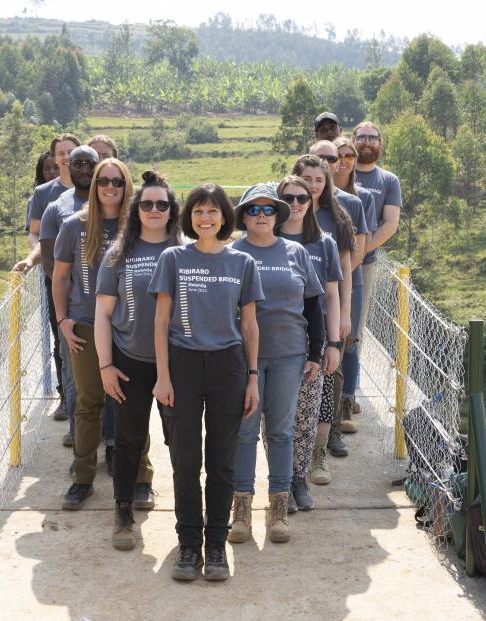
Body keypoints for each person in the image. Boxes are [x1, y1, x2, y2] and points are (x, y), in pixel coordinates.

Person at [150, 184, 263, 582]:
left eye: (213, 211)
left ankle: (215, 545)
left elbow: (249, 325)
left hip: (228, 367)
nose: (206, 218)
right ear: (190, 217)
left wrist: (252, 378)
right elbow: (161, 322)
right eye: (199, 211)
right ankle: (188, 545)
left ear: (224, 217)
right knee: (184, 460)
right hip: (181, 365)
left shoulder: (242, 263)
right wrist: (162, 377)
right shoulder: (173, 259)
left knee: (221, 461)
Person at [52, 157, 153, 510]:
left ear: (127, 186)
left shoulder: (139, 227)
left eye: (118, 181)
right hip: (84, 325)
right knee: (88, 403)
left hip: (129, 328)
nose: (111, 187)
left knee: (132, 404)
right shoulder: (74, 227)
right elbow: (61, 276)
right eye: (104, 181)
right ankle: (82, 478)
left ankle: (141, 477)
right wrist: (63, 320)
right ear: (94, 185)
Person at [229, 183, 324, 544]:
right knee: (245, 432)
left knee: (281, 431)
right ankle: (241, 512)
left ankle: (279, 510)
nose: (262, 216)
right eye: (254, 210)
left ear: (279, 216)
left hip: (289, 354)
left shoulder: (296, 252)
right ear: (243, 216)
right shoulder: (232, 253)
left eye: (269, 210)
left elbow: (314, 304)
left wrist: (316, 352)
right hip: (243, 357)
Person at [94, 170, 181, 550]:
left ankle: (187, 518)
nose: (155, 209)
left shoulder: (185, 249)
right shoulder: (118, 254)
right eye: (147, 204)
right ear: (136, 209)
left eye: (163, 204)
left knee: (181, 442)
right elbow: (101, 315)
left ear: (172, 210)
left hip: (178, 364)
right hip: (129, 361)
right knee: (128, 441)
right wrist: (105, 366)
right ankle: (123, 511)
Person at [275, 175, 343, 512]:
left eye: (303, 198)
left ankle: (298, 478)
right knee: (275, 420)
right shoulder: (264, 239)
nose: (296, 204)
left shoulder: (323, 242)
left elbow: (330, 295)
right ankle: (280, 482)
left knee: (305, 416)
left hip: (310, 343)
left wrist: (333, 343)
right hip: (273, 344)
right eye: (288, 198)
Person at [290, 155, 353, 485]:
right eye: (306, 180)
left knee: (326, 387)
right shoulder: (280, 217)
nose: (312, 187)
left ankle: (318, 455)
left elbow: (344, 274)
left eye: (319, 180)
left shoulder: (335, 220)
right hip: (287, 326)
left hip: (325, 320)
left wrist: (345, 313)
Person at [310, 139, 371, 446]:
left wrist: (343, 308)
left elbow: (351, 258)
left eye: (331, 159)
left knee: (336, 361)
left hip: (335, 296)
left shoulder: (349, 205)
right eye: (319, 158)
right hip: (303, 306)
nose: (328, 163)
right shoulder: (290, 204)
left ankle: (331, 430)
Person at [24, 137, 79, 424]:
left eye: (71, 152)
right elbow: (35, 233)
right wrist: (42, 257)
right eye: (61, 153)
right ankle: (67, 400)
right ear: (54, 158)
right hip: (56, 275)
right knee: (62, 339)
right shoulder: (44, 194)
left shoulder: (97, 189)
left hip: (91, 278)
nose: (67, 157)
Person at [333, 135, 379, 430]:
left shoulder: (363, 198)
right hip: (323, 281)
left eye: (350, 155)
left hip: (351, 276)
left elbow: (362, 246)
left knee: (350, 340)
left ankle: (345, 403)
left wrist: (342, 275)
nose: (345, 160)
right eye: (339, 155)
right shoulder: (309, 195)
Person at [353, 121, 402, 370]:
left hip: (365, 263)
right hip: (329, 260)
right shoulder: (340, 174)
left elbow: (390, 224)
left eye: (373, 138)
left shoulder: (388, 180)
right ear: (353, 140)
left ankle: (350, 384)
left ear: (380, 143)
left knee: (357, 322)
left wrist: (360, 252)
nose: (367, 142)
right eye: (362, 137)